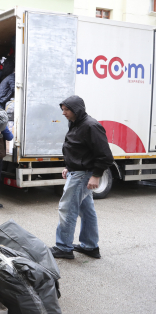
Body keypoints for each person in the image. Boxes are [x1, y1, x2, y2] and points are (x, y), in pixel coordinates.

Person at [50, 95, 113, 260]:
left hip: (83, 175)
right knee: (86, 210)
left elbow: (105, 155)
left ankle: (63, 247)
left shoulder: (91, 126)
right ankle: (90, 246)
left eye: (66, 109)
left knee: (67, 209)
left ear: (77, 109)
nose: (63, 113)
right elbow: (78, 149)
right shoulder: (76, 123)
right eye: (62, 109)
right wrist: (68, 167)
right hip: (76, 171)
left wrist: (97, 175)